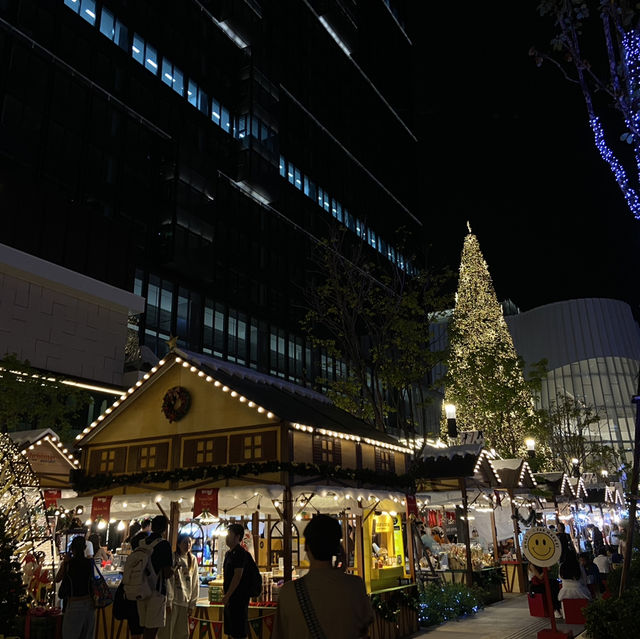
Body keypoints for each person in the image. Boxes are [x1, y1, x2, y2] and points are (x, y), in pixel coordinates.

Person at [273, 515, 373, 639]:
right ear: (337, 548)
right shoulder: (355, 586)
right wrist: (341, 569)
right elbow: (365, 627)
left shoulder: (288, 592)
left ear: (306, 547)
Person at [137, 516, 174, 639]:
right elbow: (167, 572)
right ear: (165, 528)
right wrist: (173, 571)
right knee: (152, 630)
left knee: (145, 628)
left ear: (152, 526)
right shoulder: (164, 545)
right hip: (156, 591)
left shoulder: (142, 543)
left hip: (141, 589)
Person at [55, 536, 96, 639]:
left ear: (72, 549)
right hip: (89, 603)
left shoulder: (69, 564)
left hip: (74, 604)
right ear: (84, 548)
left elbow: (57, 579)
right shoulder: (89, 563)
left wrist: (65, 562)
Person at [159, 534, 199, 639]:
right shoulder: (173, 557)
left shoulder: (193, 559)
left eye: (189, 542)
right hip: (174, 601)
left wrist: (192, 604)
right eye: (185, 542)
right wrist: (168, 601)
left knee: (182, 633)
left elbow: (195, 582)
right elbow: (168, 581)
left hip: (185, 601)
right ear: (179, 544)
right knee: (168, 632)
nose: (188, 545)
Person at [222, 524, 252, 639]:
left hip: (238, 599)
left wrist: (228, 595)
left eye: (229, 535)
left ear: (237, 537)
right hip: (231, 600)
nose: (226, 537)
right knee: (231, 632)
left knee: (238, 632)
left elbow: (237, 576)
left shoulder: (240, 553)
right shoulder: (229, 553)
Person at [121, 532, 149, 639]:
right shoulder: (146, 557)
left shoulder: (131, 558)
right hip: (142, 596)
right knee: (144, 629)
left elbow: (125, 579)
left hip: (131, 596)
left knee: (135, 630)